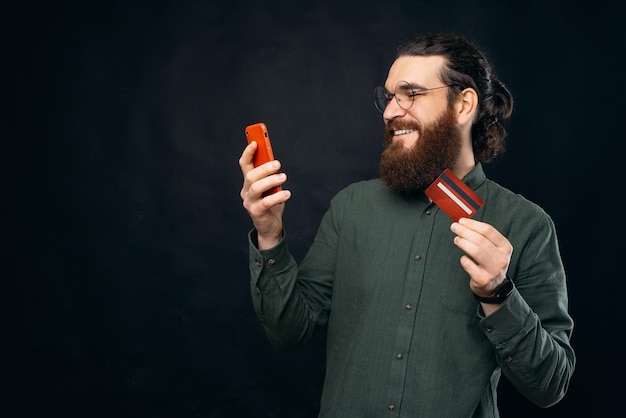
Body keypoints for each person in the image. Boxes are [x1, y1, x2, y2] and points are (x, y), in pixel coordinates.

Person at [238, 33, 575, 417]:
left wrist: (498, 293)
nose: (389, 112)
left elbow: (550, 385)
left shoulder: (526, 225)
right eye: (388, 97)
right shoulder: (351, 208)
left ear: (463, 104)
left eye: (410, 94)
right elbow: (287, 331)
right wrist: (269, 233)